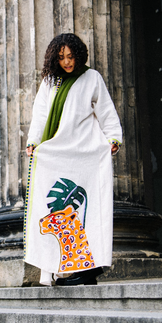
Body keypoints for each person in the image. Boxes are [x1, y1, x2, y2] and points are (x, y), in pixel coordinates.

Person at [23, 33, 122, 286]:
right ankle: (57, 267)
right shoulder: (50, 82)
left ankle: (88, 270)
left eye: (70, 56)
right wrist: (33, 141)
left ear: (79, 55)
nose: (67, 62)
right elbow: (40, 113)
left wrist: (113, 138)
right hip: (57, 152)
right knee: (53, 210)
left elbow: (106, 111)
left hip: (86, 152)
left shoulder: (92, 78)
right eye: (61, 57)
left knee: (88, 210)